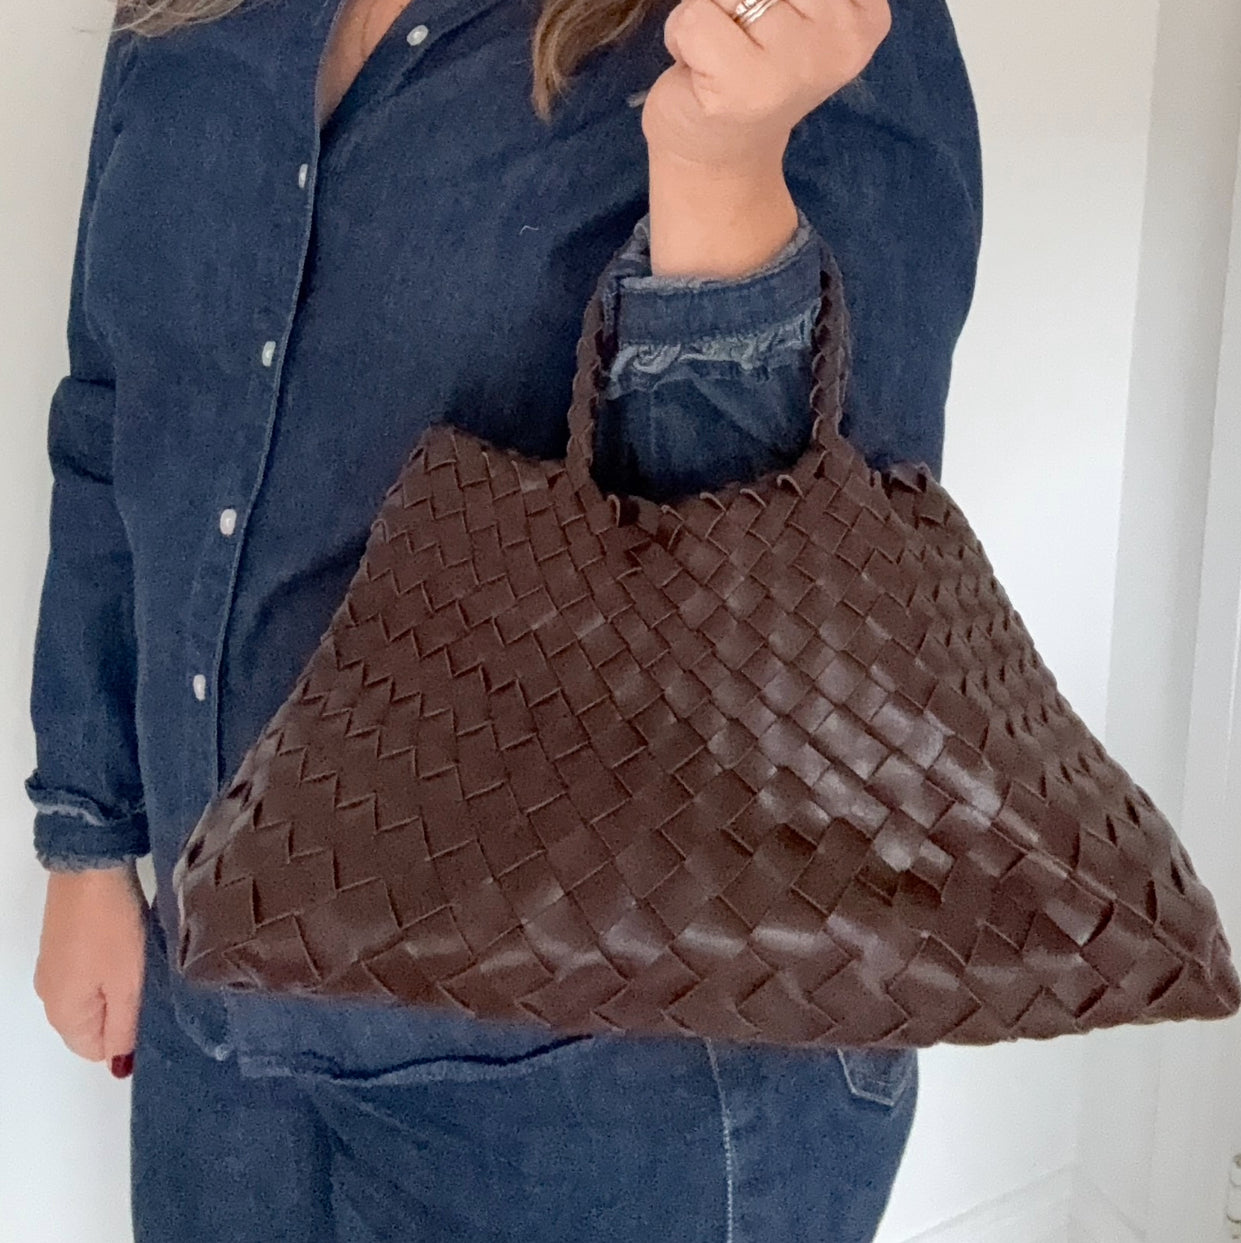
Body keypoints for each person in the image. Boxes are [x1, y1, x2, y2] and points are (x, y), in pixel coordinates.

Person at [27, 0, 981, 1237]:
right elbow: (118, 412)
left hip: (612, 1082)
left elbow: (823, 602)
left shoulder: (785, 23)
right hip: (225, 1023)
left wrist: (718, 177)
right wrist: (93, 838)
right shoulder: (190, 13)